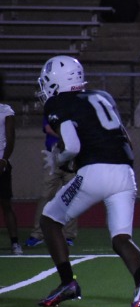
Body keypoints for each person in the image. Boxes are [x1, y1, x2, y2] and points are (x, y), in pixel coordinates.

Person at [35, 55, 140, 307]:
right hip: (125, 172)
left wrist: (60, 159)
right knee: (121, 238)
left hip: (95, 171)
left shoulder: (59, 103)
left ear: (56, 82)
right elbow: (125, 139)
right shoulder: (102, 96)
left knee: (49, 219)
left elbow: (72, 146)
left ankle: (68, 282)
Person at [24, 116, 78, 248]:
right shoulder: (52, 109)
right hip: (53, 157)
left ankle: (68, 235)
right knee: (45, 195)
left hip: (72, 158)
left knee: (70, 197)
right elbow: (48, 128)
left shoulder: (76, 110)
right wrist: (67, 137)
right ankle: (38, 233)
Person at [0, 101, 22, 255]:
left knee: (5, 203)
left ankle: (15, 243)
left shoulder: (6, 110)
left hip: (1, 163)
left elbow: (10, 138)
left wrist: (4, 160)